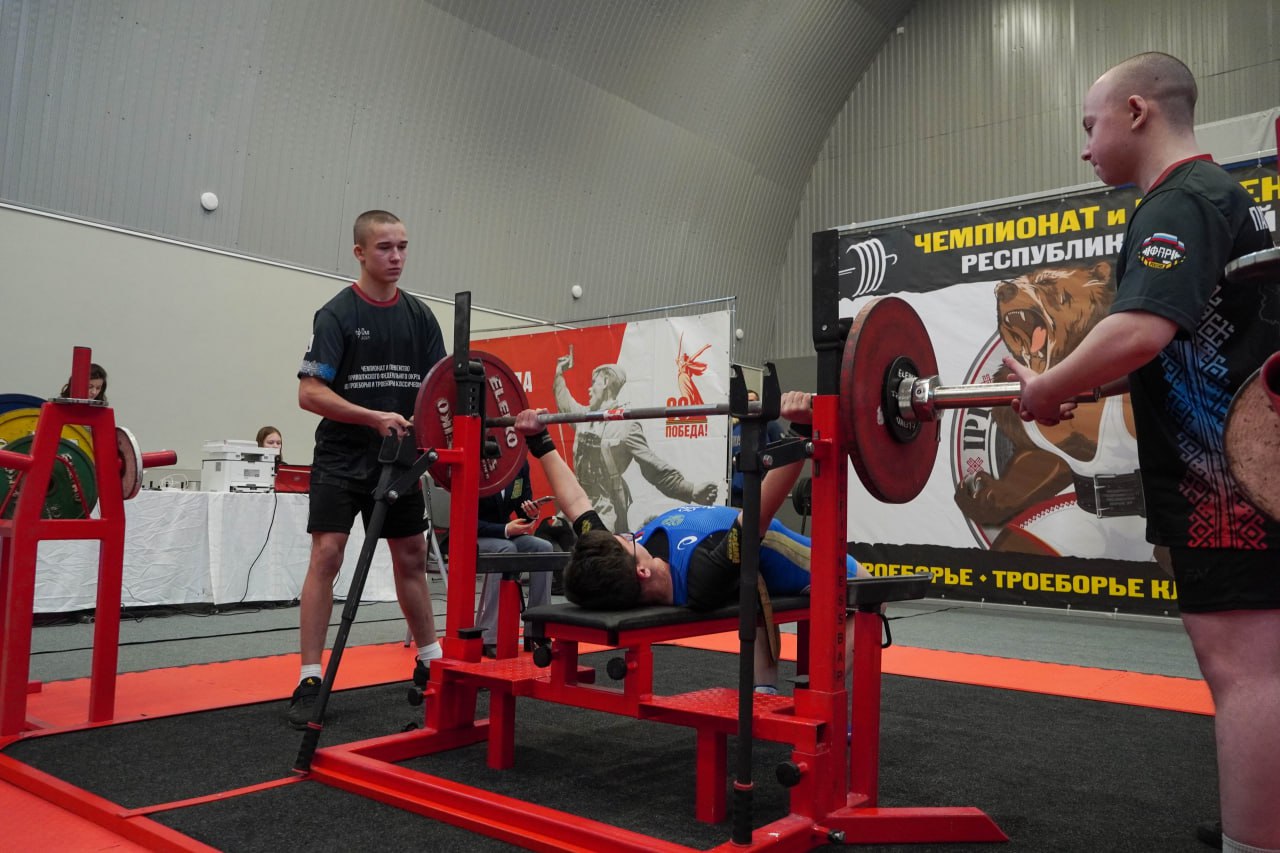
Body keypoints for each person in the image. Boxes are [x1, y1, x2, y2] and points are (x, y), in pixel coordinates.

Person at [1003, 53, 1279, 853]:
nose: (1085, 147)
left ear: (1136, 112)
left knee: (1245, 669)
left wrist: (1050, 385)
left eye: (1090, 126)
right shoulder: (1208, 196)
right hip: (1233, 470)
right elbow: (1176, 344)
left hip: (1225, 484)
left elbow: (1141, 330)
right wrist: (1078, 384)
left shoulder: (1182, 200)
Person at [516, 391, 868, 693]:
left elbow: (576, 503)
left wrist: (539, 440)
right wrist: (802, 430)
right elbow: (758, 513)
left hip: (743, 551)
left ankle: (765, 691)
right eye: (627, 541)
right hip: (769, 544)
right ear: (641, 572)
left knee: (748, 578)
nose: (623, 535)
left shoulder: (611, 561)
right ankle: (823, 695)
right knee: (869, 590)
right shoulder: (701, 575)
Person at [287, 210, 446, 730]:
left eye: (402, 246)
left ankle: (432, 661)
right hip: (342, 456)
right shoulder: (336, 314)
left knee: (412, 556)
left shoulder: (420, 317)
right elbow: (310, 393)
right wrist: (372, 417)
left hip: (399, 459)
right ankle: (310, 677)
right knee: (327, 555)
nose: (396, 257)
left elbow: (439, 390)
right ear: (359, 252)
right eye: (384, 248)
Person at [553, 355, 718, 531]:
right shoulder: (584, 417)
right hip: (575, 504)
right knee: (554, 536)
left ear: (606, 382)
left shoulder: (626, 426)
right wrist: (559, 373)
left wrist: (689, 490)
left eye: (594, 383)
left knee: (598, 544)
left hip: (604, 512)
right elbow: (564, 402)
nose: (589, 389)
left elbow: (653, 468)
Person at [474, 461, 554, 657]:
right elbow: (466, 517)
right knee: (506, 549)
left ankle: (537, 630)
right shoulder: (476, 465)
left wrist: (531, 514)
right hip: (472, 534)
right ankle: (490, 635)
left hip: (505, 534)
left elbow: (522, 510)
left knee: (544, 548)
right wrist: (505, 529)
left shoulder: (518, 464)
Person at [730, 389, 785, 508]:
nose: (750, 405)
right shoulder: (734, 428)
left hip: (760, 490)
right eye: (747, 402)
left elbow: (782, 454)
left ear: (759, 404)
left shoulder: (770, 426)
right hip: (737, 493)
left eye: (753, 401)